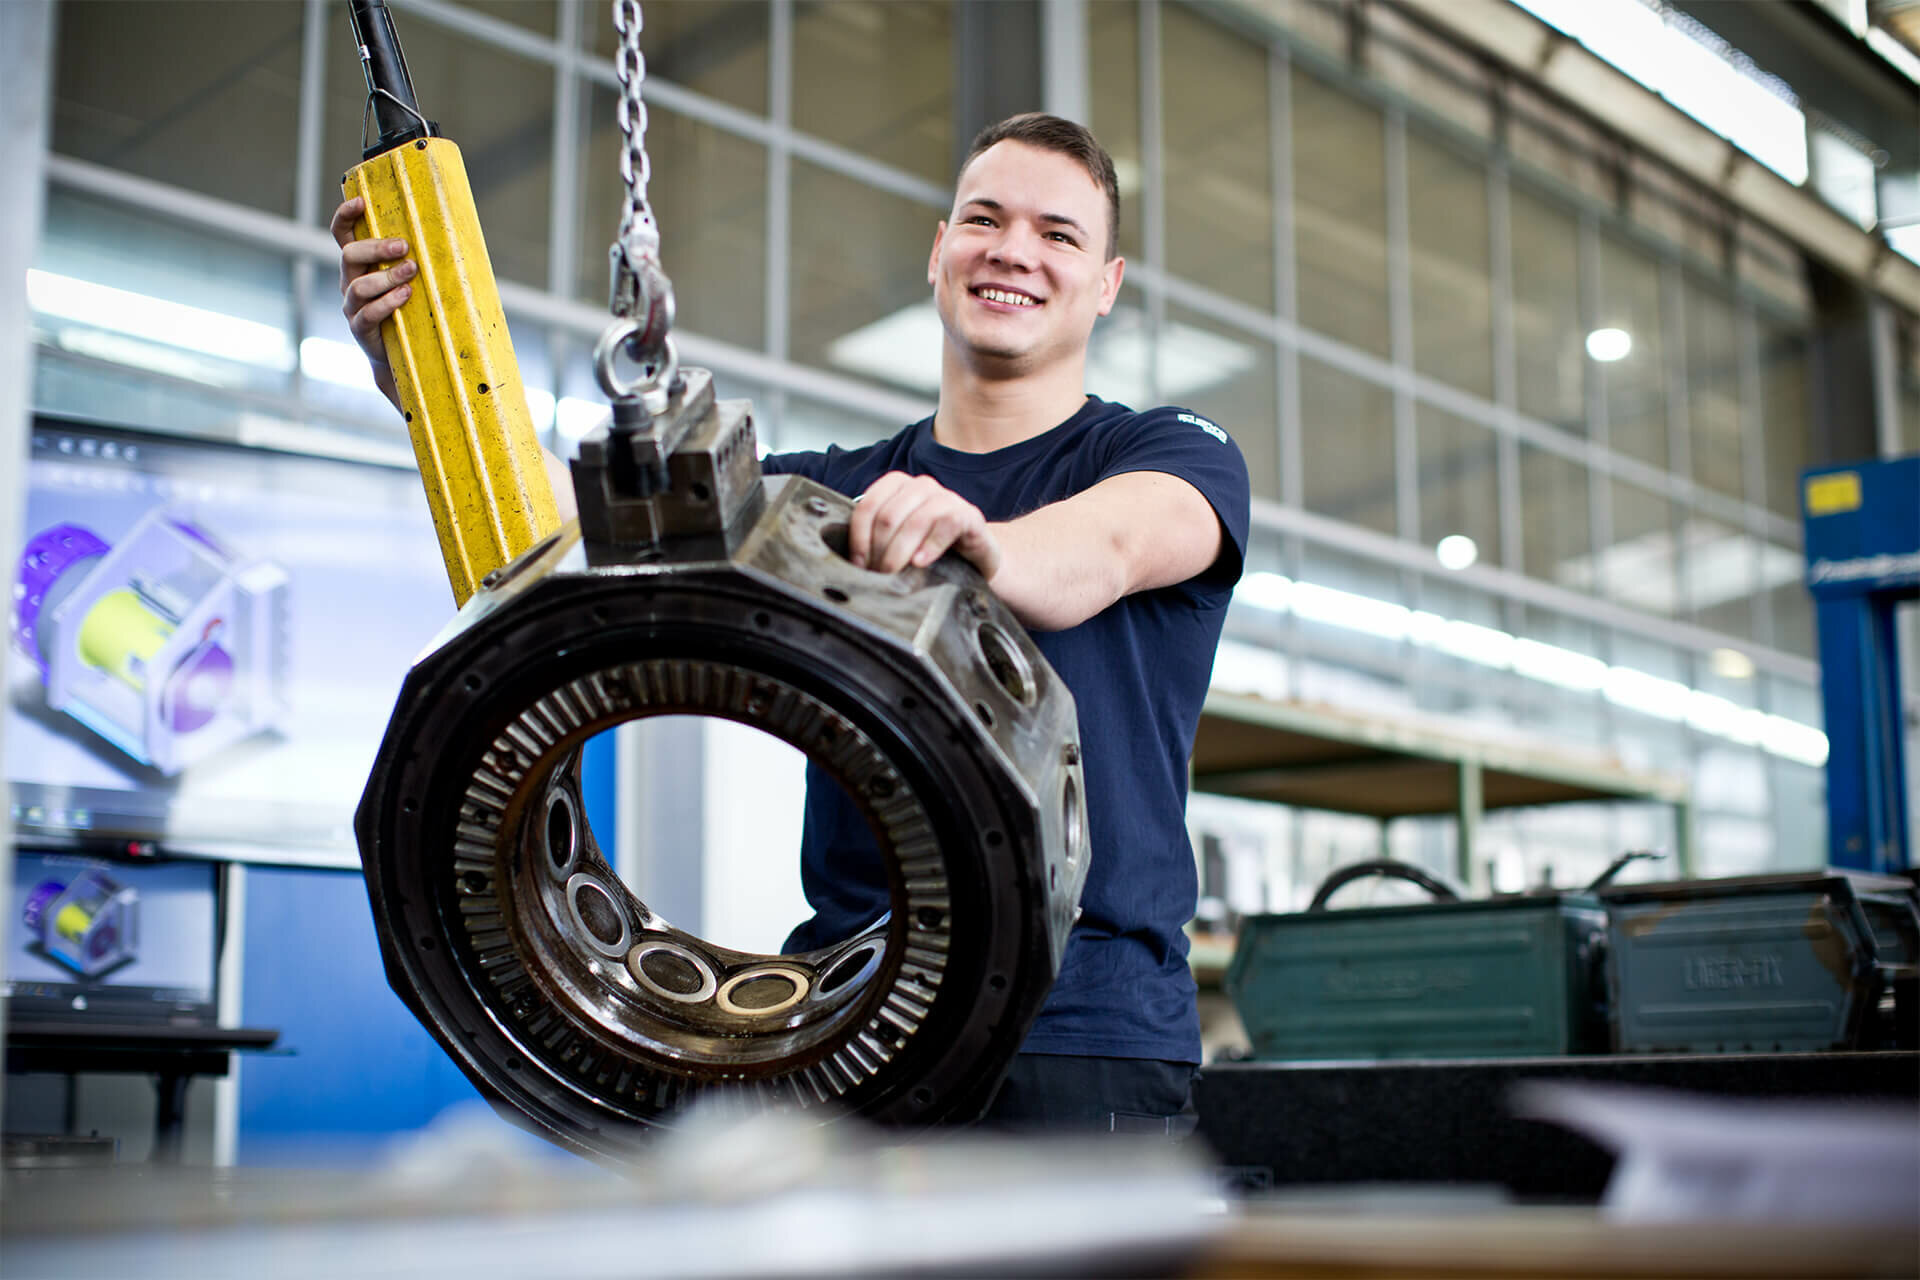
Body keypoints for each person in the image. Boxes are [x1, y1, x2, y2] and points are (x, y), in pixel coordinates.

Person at [333, 112, 1250, 1135]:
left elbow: (1114, 547)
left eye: (1058, 233)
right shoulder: (828, 494)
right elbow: (556, 530)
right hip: (857, 1042)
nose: (1014, 251)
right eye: (985, 219)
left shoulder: (1174, 454)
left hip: (1087, 1044)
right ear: (941, 249)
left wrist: (983, 542)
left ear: (1108, 282)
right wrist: (424, 376)